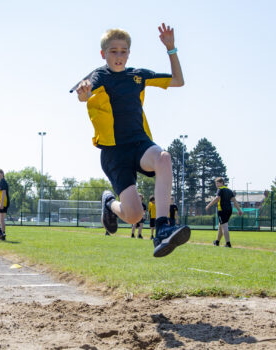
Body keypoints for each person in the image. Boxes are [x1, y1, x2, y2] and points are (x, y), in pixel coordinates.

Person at [73, 23, 189, 257]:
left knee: (164, 158)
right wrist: (84, 92)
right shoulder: (100, 75)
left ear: (129, 53)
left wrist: (171, 49)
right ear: (103, 54)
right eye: (113, 51)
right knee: (134, 215)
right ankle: (108, 203)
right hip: (114, 153)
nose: (118, 55)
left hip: (139, 144)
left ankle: (163, 228)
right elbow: (84, 94)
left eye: (123, 51)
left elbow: (178, 80)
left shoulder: (138, 76)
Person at [205, 177, 243, 248]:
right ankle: (217, 242)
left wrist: (208, 205)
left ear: (222, 183)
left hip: (222, 210)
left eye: (218, 183)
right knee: (221, 225)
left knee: (224, 226)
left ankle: (228, 243)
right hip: (229, 210)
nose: (216, 185)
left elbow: (217, 198)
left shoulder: (220, 189)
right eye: (216, 183)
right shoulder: (229, 190)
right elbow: (234, 201)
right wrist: (239, 210)